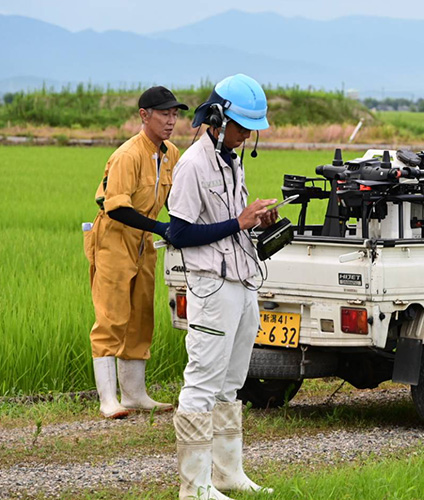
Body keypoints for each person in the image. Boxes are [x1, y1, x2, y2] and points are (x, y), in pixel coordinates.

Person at [167, 74, 278, 499]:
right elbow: (179, 233)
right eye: (241, 126)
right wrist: (239, 221)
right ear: (216, 118)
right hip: (211, 286)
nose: (247, 134)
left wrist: (256, 219)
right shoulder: (193, 165)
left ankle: (229, 474)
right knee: (202, 383)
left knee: (232, 382)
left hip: (243, 280)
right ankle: (194, 487)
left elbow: (236, 223)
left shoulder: (233, 160)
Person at [85, 86, 188, 419]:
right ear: (144, 115)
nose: (172, 121)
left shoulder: (170, 152)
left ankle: (134, 394)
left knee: (142, 314)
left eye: (175, 114)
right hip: (114, 238)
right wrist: (161, 228)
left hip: (144, 241)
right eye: (164, 114)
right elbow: (115, 208)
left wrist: (179, 225)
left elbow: (172, 197)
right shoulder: (127, 155)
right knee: (112, 314)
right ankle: (107, 400)